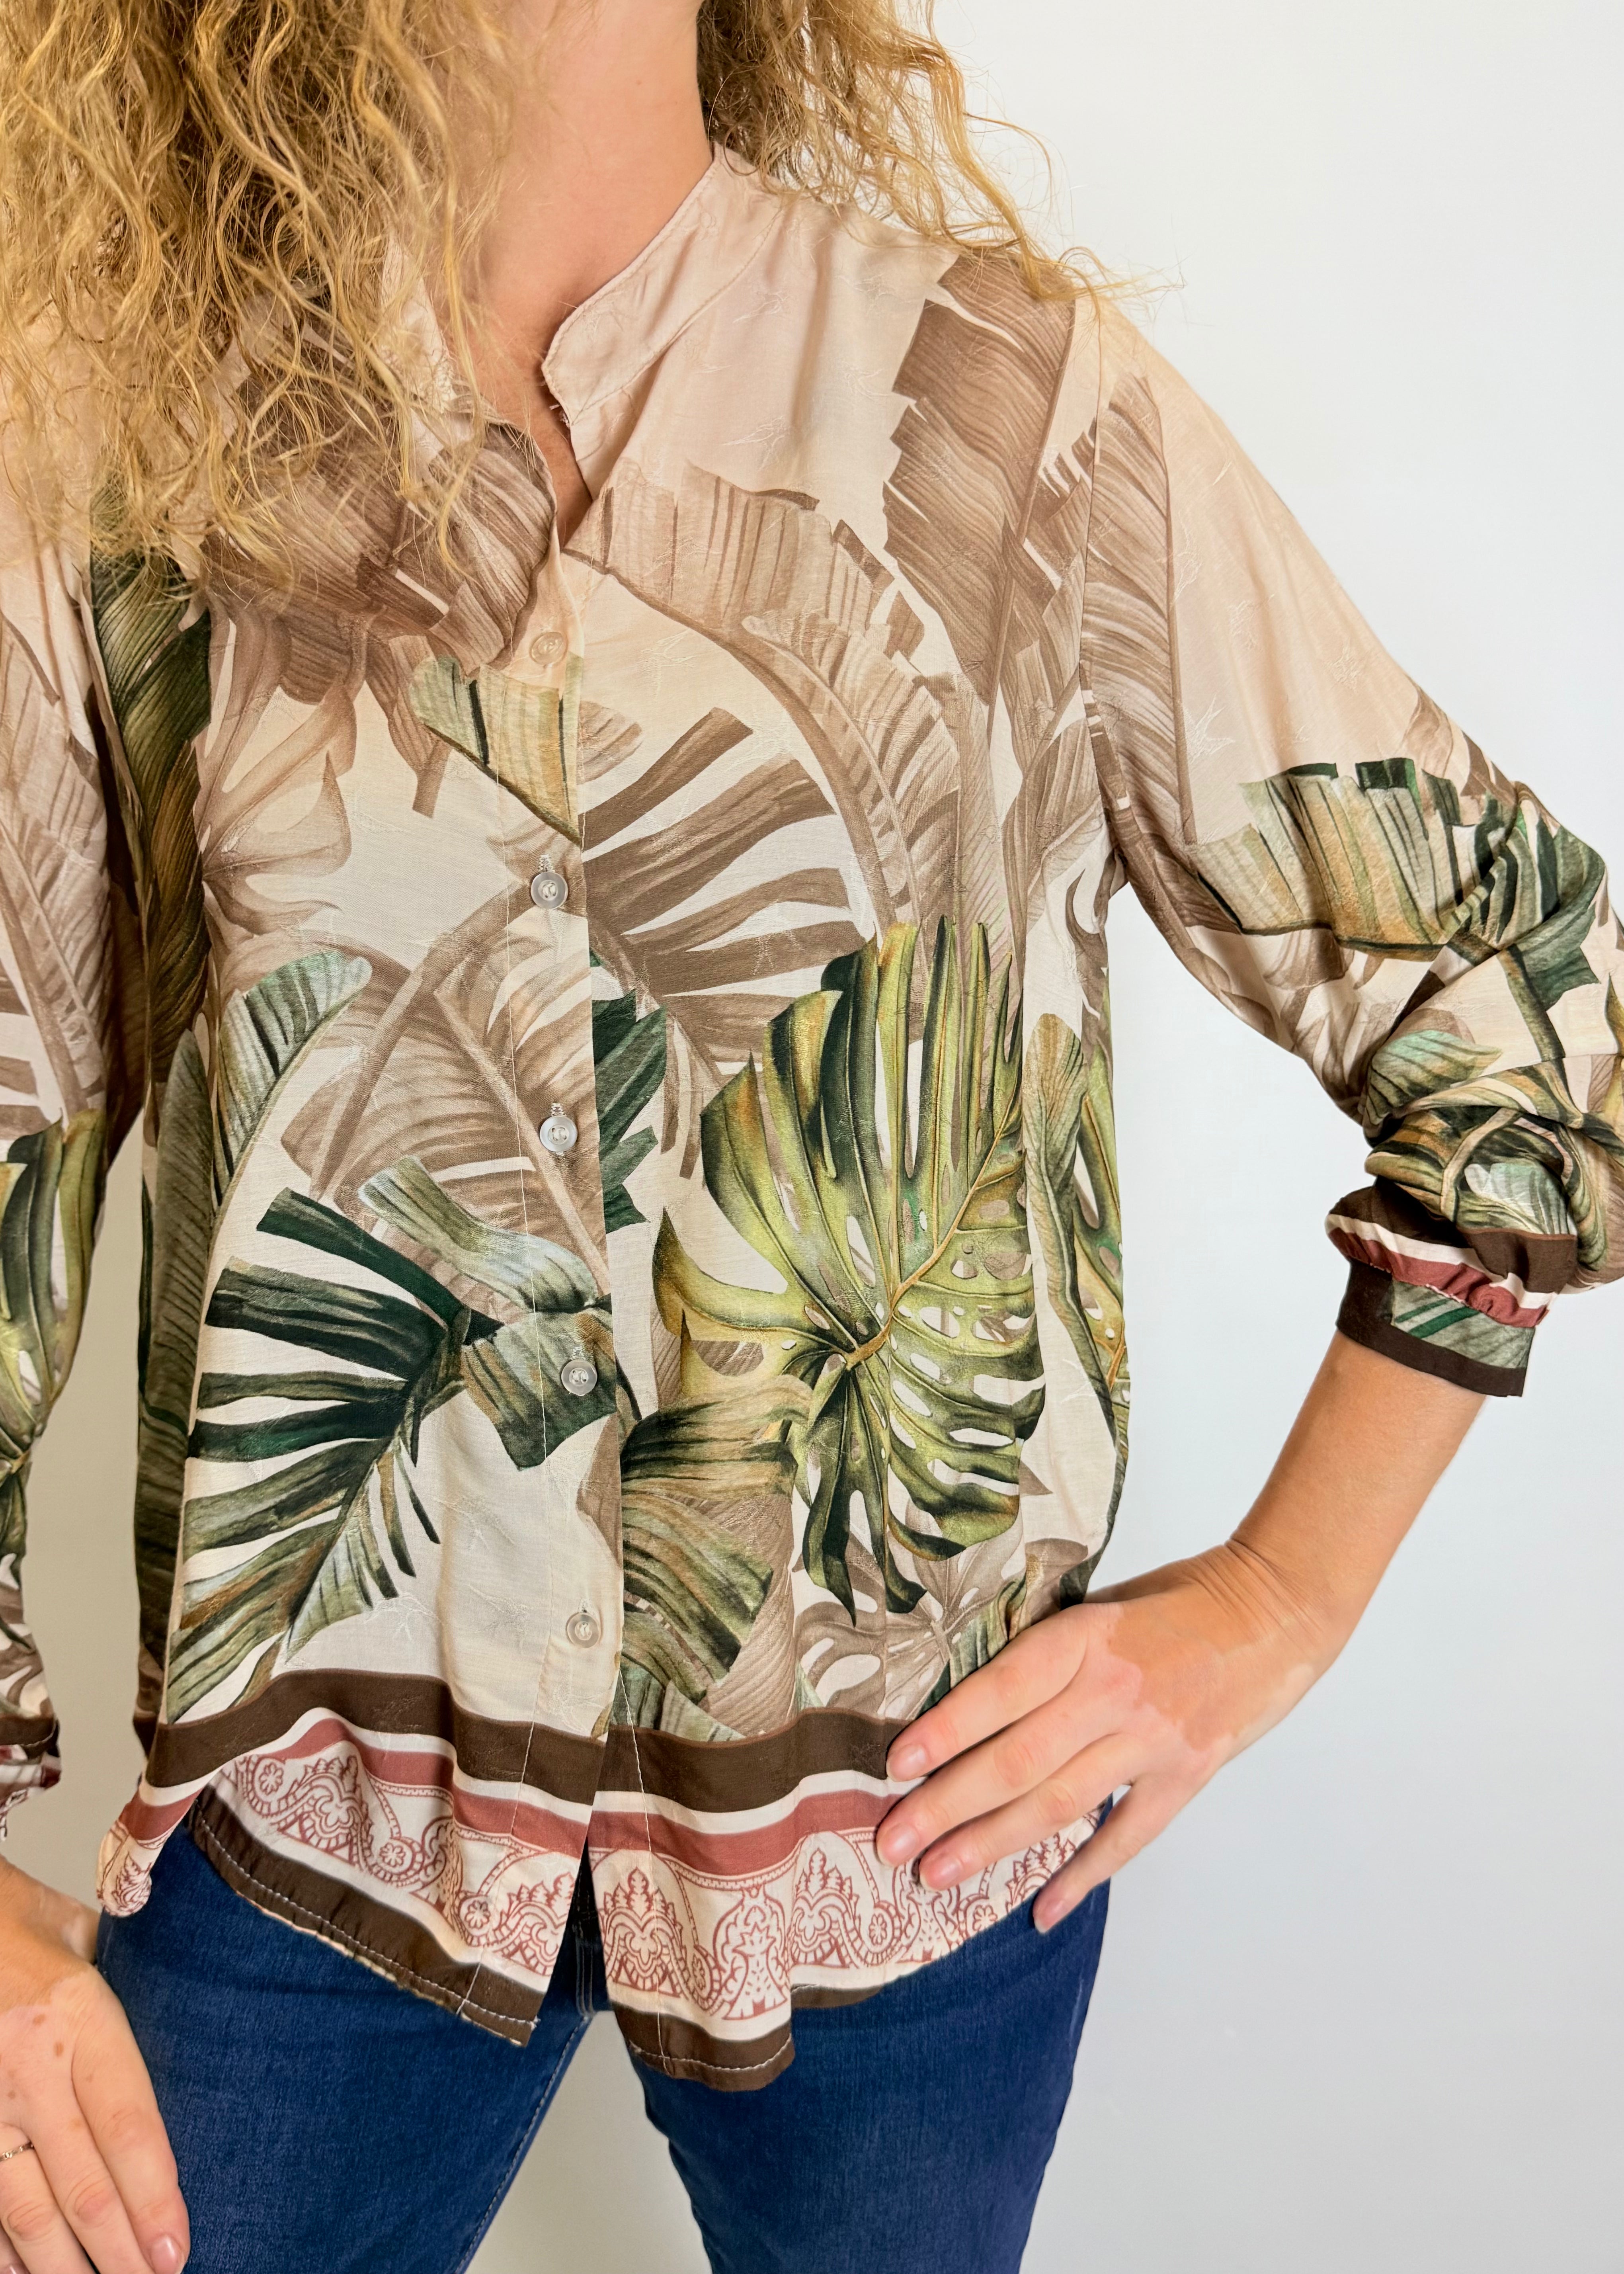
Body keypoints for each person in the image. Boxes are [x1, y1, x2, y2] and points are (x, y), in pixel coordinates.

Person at [0, 0, 1618, 2268]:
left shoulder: (1015, 413)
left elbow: (1527, 998)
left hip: (917, 1845)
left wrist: (1282, 1599)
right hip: (315, 1837)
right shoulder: (138, 462)